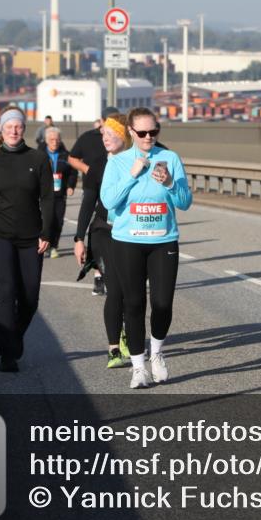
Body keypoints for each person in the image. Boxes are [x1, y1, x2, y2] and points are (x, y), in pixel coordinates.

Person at [100, 107, 192, 389]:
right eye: (142, 133)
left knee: (163, 303)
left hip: (163, 240)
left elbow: (185, 201)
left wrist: (170, 183)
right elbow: (108, 202)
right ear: (131, 132)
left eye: (154, 132)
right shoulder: (118, 162)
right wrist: (132, 174)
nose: (148, 137)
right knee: (134, 304)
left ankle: (157, 353)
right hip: (128, 241)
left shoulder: (170, 158)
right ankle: (138, 367)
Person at [0, 106, 54, 372]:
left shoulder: (38, 159)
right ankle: (7, 354)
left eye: (18, 126)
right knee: (6, 290)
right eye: (8, 127)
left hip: (31, 237)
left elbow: (48, 198)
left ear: (24, 129)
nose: (14, 131)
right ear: (1, 130)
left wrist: (48, 232)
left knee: (30, 298)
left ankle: (13, 338)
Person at [75, 114, 131, 369]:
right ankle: (113, 350)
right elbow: (88, 203)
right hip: (103, 231)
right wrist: (78, 238)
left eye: (111, 134)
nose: (105, 138)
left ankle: (127, 335)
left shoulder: (139, 162)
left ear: (125, 135)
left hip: (132, 233)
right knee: (115, 290)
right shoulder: (98, 165)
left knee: (132, 291)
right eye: (103, 135)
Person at [70, 106, 118, 296]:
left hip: (127, 223)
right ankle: (99, 273)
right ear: (102, 122)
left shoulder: (135, 155)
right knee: (98, 233)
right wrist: (79, 238)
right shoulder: (89, 140)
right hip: (96, 191)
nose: (108, 138)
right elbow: (72, 157)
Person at [43, 127, 77, 259]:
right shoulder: (39, 155)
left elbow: (73, 172)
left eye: (57, 139)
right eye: (51, 139)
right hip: (44, 194)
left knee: (58, 221)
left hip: (60, 194)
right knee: (45, 220)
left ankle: (53, 246)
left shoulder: (65, 155)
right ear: (46, 141)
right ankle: (43, 243)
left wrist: (70, 186)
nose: (55, 142)